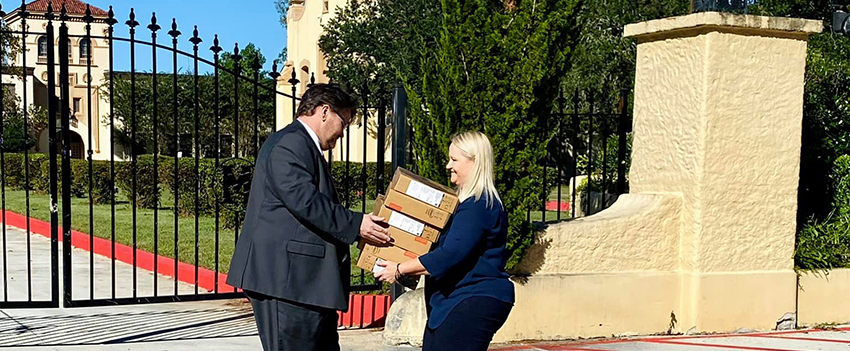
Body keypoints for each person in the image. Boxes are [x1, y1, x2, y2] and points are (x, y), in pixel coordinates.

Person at [226, 83, 391, 351]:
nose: (343, 132)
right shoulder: (290, 143)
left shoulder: (300, 144)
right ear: (325, 111)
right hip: (288, 283)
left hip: (303, 284)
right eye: (344, 122)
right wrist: (356, 223)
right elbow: (304, 200)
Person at [374, 131, 515, 351]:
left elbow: (450, 255)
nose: (448, 165)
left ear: (475, 162)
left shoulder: (478, 206)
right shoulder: (472, 204)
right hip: (457, 299)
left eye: (454, 159)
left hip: (472, 298)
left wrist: (400, 269)